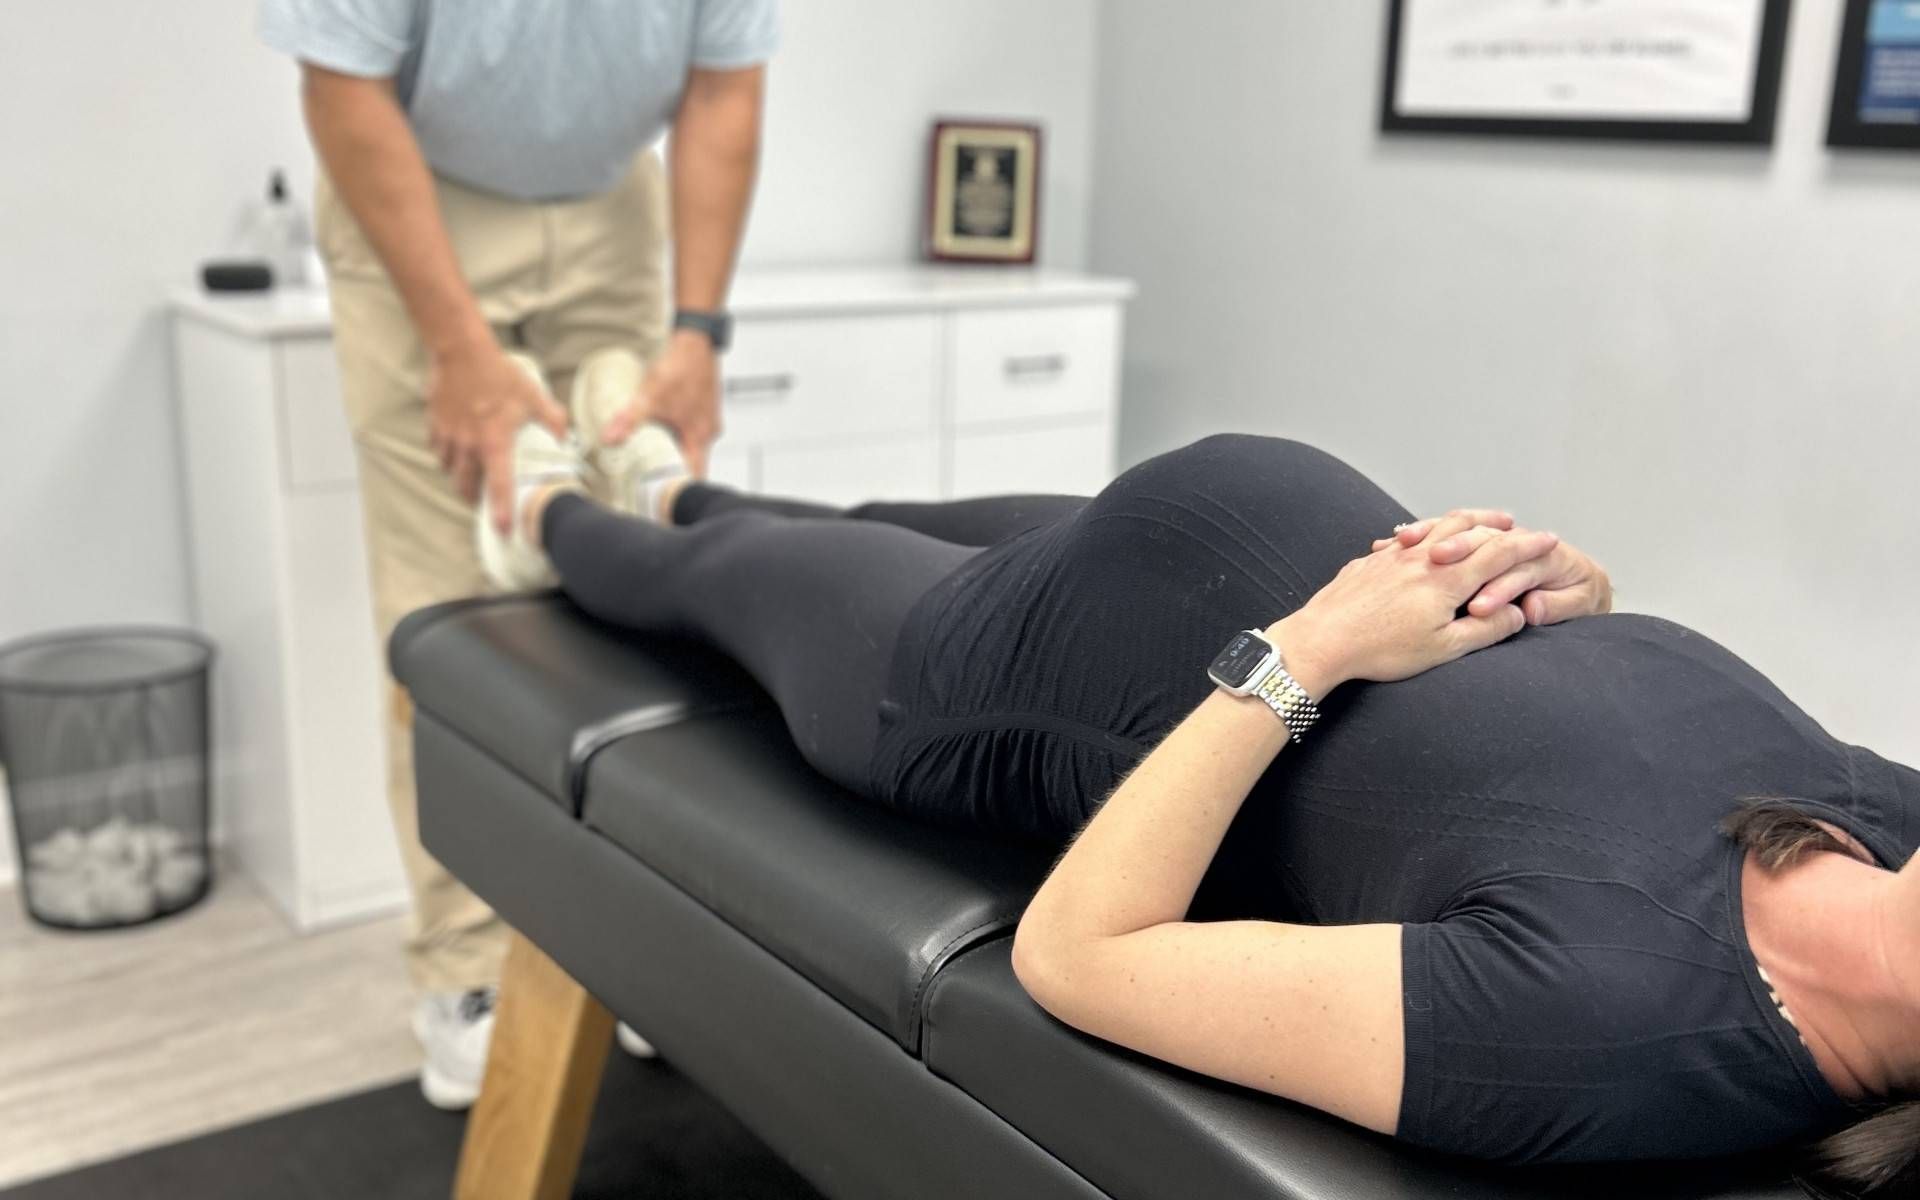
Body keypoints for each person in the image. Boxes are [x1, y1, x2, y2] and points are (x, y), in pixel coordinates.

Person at [479, 410, 1918, 1193]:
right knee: (838, 525)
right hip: (1189, 542)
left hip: (1011, 678)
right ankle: (682, 486)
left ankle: (539, 501)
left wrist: (1316, 649)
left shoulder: (1609, 1028)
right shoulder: (1895, 827)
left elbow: (1080, 955)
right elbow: (1579, 758)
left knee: (701, 585)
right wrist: (1579, 606)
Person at [257, 0, 777, 1109]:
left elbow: (725, 87)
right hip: (416, 201)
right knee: (449, 613)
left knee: (634, 587)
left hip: (613, 208)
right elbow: (341, 89)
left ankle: (618, 938)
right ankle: (464, 972)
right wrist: (456, 348)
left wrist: (700, 332)